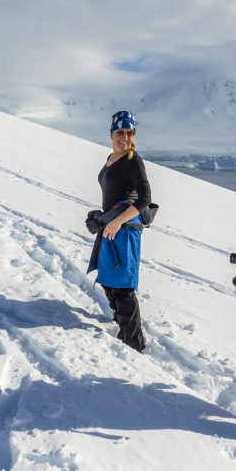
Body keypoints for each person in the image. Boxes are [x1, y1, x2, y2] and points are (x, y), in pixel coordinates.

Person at [86, 111, 152, 352]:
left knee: (123, 286)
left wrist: (116, 222)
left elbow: (145, 197)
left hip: (125, 228)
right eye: (120, 132)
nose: (125, 137)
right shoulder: (111, 157)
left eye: (129, 133)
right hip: (112, 225)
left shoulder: (133, 159)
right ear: (111, 134)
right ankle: (120, 322)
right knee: (107, 278)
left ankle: (134, 343)